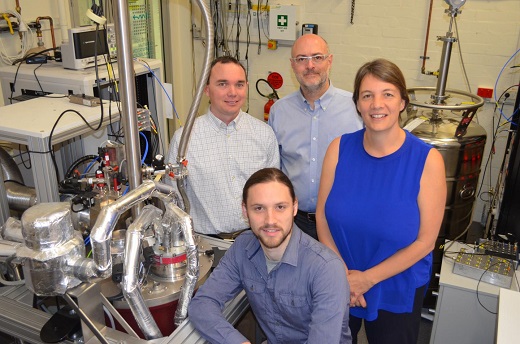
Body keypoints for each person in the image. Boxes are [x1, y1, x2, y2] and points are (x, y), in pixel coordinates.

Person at [316, 58, 446, 344]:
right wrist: (344, 276)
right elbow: (322, 217)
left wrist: (367, 279)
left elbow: (426, 241)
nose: (377, 104)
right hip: (340, 278)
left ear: (402, 102)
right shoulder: (339, 149)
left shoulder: (427, 161)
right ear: (358, 104)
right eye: (367, 95)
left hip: (396, 285)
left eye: (387, 94)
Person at [188, 168, 351, 344]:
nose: (270, 220)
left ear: (294, 208)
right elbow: (202, 304)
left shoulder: (326, 268)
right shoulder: (242, 248)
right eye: (259, 208)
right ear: (245, 211)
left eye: (280, 207)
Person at [167, 56, 279, 236]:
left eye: (239, 84)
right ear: (206, 90)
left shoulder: (264, 134)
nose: (232, 92)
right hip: (206, 245)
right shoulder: (184, 139)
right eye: (222, 84)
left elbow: (274, 194)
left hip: (255, 240)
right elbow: (173, 201)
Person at [268, 34, 363, 240]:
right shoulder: (279, 112)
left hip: (342, 222)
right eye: (302, 59)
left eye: (317, 57)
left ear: (330, 61)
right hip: (295, 223)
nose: (310, 65)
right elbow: (274, 168)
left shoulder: (355, 109)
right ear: (293, 65)